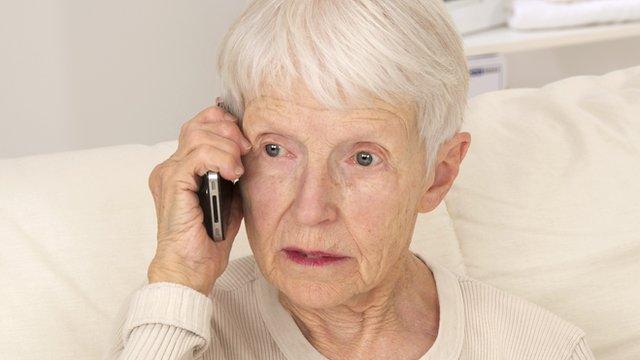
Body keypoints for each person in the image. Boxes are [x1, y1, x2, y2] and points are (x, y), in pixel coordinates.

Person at [104, 1, 596, 359]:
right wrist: (178, 277)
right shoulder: (178, 327)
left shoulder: (539, 347)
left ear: (438, 175)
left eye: (363, 158)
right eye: (276, 150)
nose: (310, 209)